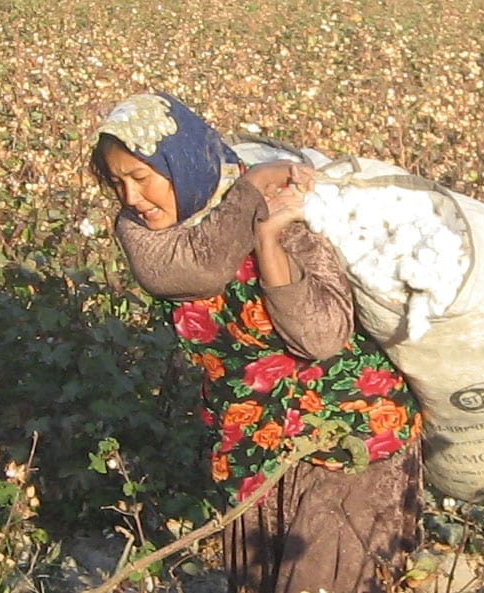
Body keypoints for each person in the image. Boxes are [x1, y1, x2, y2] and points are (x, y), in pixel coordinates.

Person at [88, 92, 423, 593]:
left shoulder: (289, 216)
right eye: (117, 182)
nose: (131, 197)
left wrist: (268, 242)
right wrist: (249, 194)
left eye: (141, 178)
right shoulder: (146, 232)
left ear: (182, 165)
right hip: (252, 444)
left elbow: (324, 336)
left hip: (345, 438)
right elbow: (195, 268)